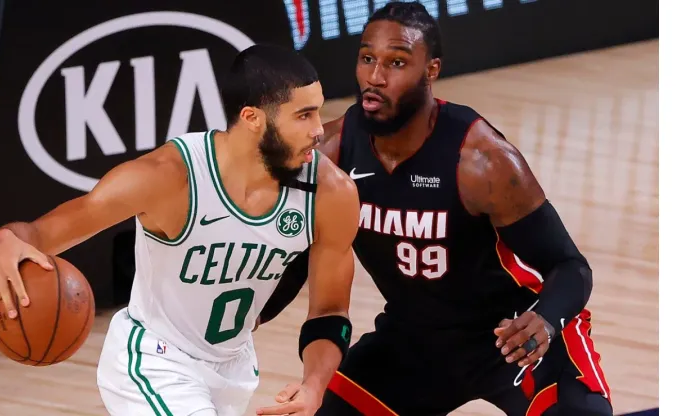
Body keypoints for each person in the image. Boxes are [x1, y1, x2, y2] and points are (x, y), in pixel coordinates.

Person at [257, 3, 613, 415]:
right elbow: (298, 261)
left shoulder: (481, 160)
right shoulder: (333, 154)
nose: (375, 77)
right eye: (367, 58)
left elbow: (571, 267)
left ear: (431, 71)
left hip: (512, 335)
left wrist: (547, 320)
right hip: (415, 341)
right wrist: (246, 321)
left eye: (397, 62)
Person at [0, 44, 361, 416]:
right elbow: (39, 233)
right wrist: (2, 241)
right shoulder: (167, 178)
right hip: (153, 361)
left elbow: (329, 312)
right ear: (252, 117)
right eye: (304, 115)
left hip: (235, 368)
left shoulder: (331, 193)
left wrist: (314, 386)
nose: (318, 129)